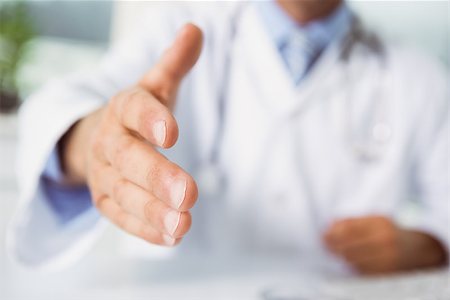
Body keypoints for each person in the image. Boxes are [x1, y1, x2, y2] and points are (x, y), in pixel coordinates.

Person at [9, 0, 448, 274]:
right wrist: (93, 145)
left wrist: (427, 246)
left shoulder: (417, 77)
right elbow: (59, 105)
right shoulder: (180, 29)